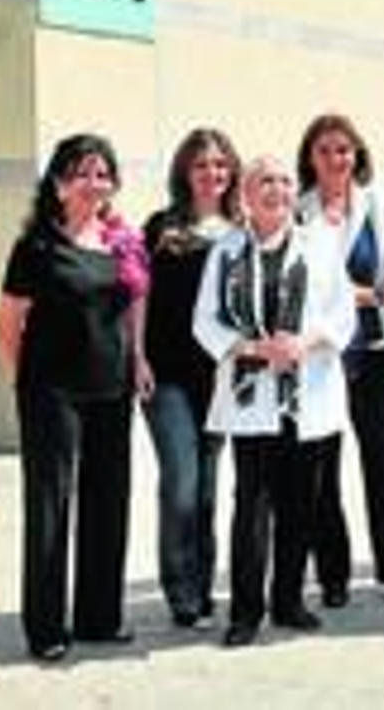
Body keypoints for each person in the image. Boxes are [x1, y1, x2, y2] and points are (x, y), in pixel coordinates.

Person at [0, 133, 151, 662]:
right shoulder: (37, 246)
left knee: (109, 502)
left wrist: (139, 359)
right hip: (52, 393)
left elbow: (134, 306)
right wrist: (27, 382)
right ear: (59, 183)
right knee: (50, 506)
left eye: (102, 173)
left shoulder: (121, 241)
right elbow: (6, 324)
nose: (93, 182)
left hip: (112, 391)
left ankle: (99, 618)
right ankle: (46, 628)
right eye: (81, 172)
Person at [194, 156, 357, 648]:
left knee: (299, 504)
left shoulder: (320, 245)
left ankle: (289, 601)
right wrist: (251, 348)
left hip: (307, 394)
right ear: (246, 193)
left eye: (285, 181)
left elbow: (342, 315)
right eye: (265, 181)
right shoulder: (226, 250)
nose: (277, 189)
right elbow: (205, 321)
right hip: (251, 397)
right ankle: (246, 612)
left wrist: (302, 344)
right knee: (251, 504)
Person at [296, 113, 384, 604]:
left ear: (357, 155)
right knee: (321, 466)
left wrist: (369, 294)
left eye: (344, 150)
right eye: (325, 150)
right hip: (322, 357)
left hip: (375, 350)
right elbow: (301, 284)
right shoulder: (298, 211)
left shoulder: (382, 204)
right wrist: (363, 294)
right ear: (311, 159)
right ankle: (333, 574)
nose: (336, 159)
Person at [142, 128, 242, 629]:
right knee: (181, 481)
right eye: (201, 164)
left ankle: (202, 589)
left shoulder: (241, 230)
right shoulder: (161, 228)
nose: (211, 173)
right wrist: (136, 357)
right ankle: (181, 591)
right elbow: (137, 299)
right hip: (166, 376)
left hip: (220, 377)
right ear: (185, 171)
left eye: (220, 164)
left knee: (207, 486)